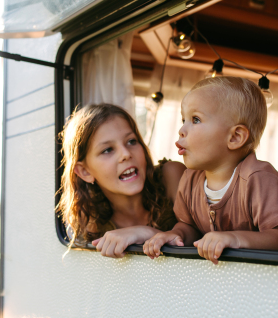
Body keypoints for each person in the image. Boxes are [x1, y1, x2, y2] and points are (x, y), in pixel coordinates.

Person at [143, 76, 278, 264]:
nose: (182, 130)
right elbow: (188, 226)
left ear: (235, 137)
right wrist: (175, 235)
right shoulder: (189, 179)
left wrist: (234, 239)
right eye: (183, 120)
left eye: (195, 119)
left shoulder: (259, 178)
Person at [57, 103, 186, 258]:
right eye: (107, 150)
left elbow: (198, 234)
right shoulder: (92, 225)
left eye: (131, 141)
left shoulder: (171, 176)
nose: (125, 154)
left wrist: (145, 233)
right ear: (85, 172)